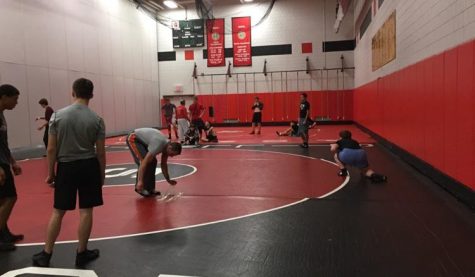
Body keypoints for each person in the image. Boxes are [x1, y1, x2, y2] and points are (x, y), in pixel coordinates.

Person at [32, 78, 106, 267]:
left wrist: (51, 172)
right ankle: (81, 253)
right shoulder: (97, 120)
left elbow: (50, 149)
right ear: (92, 95)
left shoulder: (57, 116)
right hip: (88, 166)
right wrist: (101, 174)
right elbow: (100, 152)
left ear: (72, 92)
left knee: (58, 211)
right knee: (86, 211)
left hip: (66, 167)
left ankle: (46, 254)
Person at [126, 128, 182, 197]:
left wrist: (168, 179)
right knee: (144, 160)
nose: (172, 156)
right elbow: (144, 163)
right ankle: (140, 187)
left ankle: (150, 188)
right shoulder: (158, 145)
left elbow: (163, 164)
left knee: (153, 161)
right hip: (134, 138)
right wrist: (140, 181)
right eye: (172, 154)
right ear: (170, 148)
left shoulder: (166, 147)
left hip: (144, 141)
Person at [0, 84, 23, 252]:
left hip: (3, 161)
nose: (16, 103)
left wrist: (13, 161)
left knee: (2, 199)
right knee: (10, 197)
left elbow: (3, 144)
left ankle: (4, 233)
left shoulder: (1, 115)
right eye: (14, 99)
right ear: (4, 97)